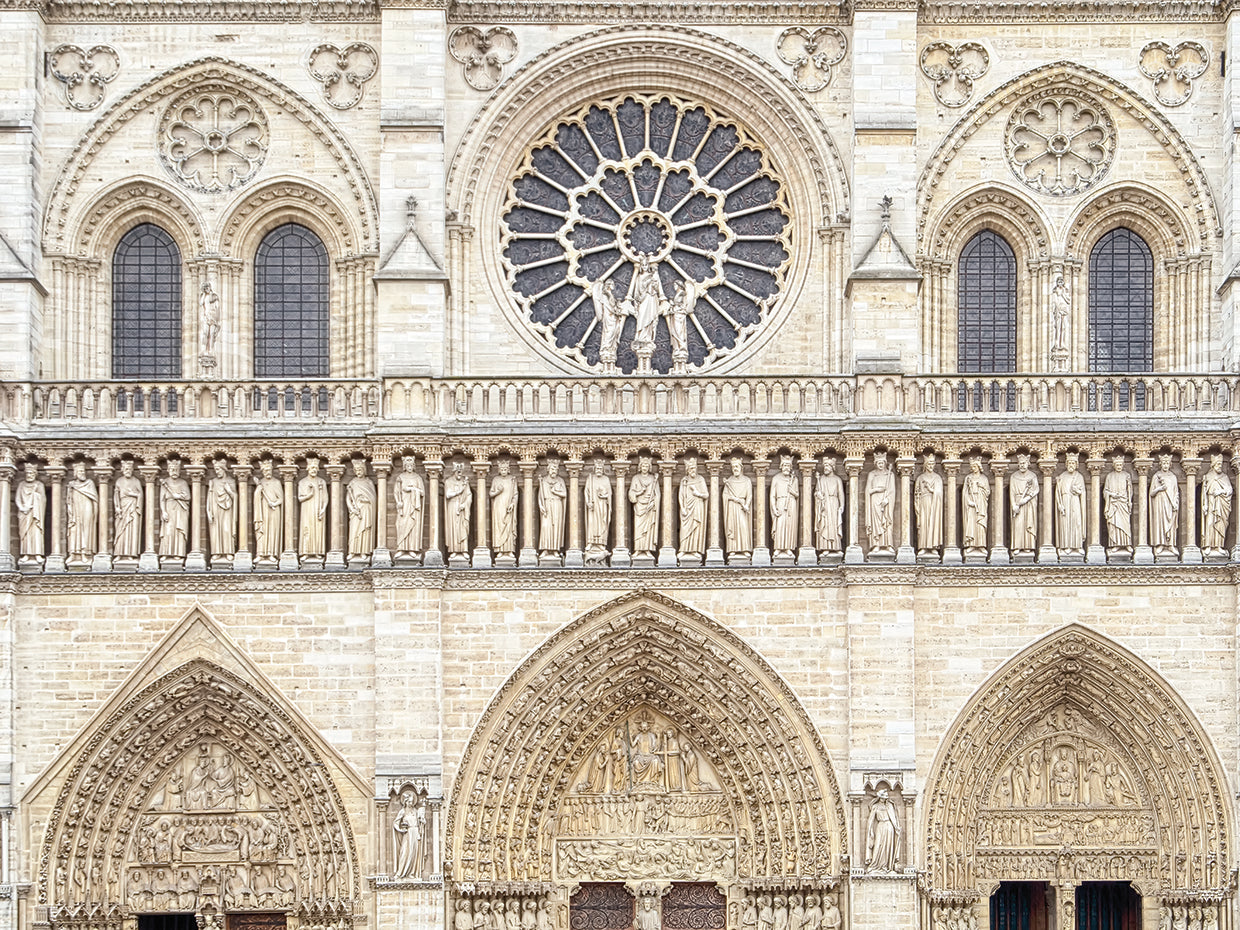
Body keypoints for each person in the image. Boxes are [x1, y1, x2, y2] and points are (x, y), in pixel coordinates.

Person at [630, 255, 665, 356]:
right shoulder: (639, 277)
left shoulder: (653, 275)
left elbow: (657, 287)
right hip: (643, 299)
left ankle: (648, 338)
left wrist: (654, 282)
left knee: (650, 319)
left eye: (646, 265)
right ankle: (641, 337)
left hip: (651, 298)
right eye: (643, 265)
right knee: (642, 320)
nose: (645, 267)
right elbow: (637, 290)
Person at [66, 461, 98, 561]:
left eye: (83, 471)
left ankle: (85, 552)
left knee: (86, 529)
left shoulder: (90, 483)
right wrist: (70, 512)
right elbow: (69, 500)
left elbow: (95, 498)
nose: (82, 473)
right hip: (76, 510)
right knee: (74, 530)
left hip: (87, 508)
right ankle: (74, 553)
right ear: (75, 473)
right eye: (80, 471)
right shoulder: (71, 485)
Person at [393, 456, 425, 557]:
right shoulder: (400, 477)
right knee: (401, 524)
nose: (409, 467)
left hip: (414, 506)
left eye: (411, 465)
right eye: (407, 465)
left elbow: (422, 493)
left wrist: (412, 489)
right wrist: (398, 502)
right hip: (404, 505)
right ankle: (401, 548)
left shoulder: (417, 478)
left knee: (413, 526)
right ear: (404, 466)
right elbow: (396, 491)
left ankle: (412, 548)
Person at [253, 459, 284, 561]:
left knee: (272, 530)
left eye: (269, 470)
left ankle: (272, 553)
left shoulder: (276, 482)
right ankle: (260, 554)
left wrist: (274, 503)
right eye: (265, 471)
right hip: (262, 511)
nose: (268, 473)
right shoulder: (260, 483)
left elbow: (281, 498)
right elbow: (257, 498)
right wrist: (258, 491)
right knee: (263, 531)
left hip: (274, 511)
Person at [1201, 453, 1232, 554]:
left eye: (1221, 464)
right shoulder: (1208, 476)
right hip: (1211, 503)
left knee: (1220, 524)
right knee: (1209, 523)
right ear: (1213, 465)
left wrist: (1221, 492)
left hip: (1221, 503)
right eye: (1218, 464)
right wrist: (1204, 504)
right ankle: (1208, 545)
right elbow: (1204, 492)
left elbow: (1229, 490)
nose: (1220, 466)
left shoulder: (1225, 477)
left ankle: (1219, 546)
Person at [159, 459, 191, 558]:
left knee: (179, 531)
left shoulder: (183, 483)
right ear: (168, 470)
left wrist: (179, 496)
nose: (174, 472)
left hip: (180, 510)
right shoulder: (165, 483)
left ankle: (178, 553)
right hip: (169, 508)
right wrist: (163, 511)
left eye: (176, 470)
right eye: (172, 470)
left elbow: (188, 497)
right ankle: (166, 553)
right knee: (168, 531)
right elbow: (162, 499)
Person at [297, 458, 328, 559]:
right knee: (307, 529)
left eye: (315, 468)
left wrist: (323, 509)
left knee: (318, 530)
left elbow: (325, 498)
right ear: (308, 469)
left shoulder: (321, 482)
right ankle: (305, 552)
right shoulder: (302, 482)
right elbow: (300, 498)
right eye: (312, 468)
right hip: (307, 510)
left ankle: (317, 551)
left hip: (318, 510)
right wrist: (309, 495)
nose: (314, 470)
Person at [1055, 454, 1086, 553]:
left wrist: (1077, 490)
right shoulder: (1062, 476)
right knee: (1065, 523)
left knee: (1076, 522)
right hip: (1065, 500)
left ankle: (1077, 546)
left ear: (1076, 464)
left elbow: (1083, 492)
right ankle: (1066, 545)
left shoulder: (1079, 476)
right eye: (1069, 463)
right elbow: (1057, 491)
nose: (1071, 465)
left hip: (1075, 501)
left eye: (1073, 463)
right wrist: (1059, 504)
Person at [346, 459, 376, 560]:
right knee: (354, 530)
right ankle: (353, 551)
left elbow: (374, 498)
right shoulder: (352, 483)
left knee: (365, 530)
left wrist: (367, 500)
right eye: (357, 470)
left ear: (364, 470)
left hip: (366, 509)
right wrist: (352, 509)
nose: (359, 472)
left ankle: (364, 551)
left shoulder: (369, 482)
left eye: (360, 470)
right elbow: (348, 498)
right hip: (355, 511)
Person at [113, 458, 143, 558]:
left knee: (132, 530)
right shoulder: (119, 481)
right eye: (126, 469)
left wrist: (133, 494)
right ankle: (119, 553)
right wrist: (117, 507)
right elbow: (116, 496)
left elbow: (140, 495)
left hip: (133, 508)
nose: (128, 471)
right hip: (122, 508)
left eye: (130, 469)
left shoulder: (136, 481)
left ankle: (130, 553)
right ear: (122, 470)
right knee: (121, 530)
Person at [629, 455, 660, 556]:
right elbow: (631, 494)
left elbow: (657, 494)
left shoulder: (653, 479)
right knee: (638, 528)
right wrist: (639, 492)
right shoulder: (636, 478)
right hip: (640, 507)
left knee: (649, 528)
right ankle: (638, 549)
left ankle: (647, 549)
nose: (645, 468)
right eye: (643, 466)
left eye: (647, 466)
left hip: (650, 507)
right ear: (640, 467)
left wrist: (654, 502)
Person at [392, 789, 426, 879]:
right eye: (409, 802)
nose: (411, 803)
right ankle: (400, 873)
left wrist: (422, 821)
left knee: (414, 853)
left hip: (415, 833)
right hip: (407, 833)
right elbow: (395, 823)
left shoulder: (415, 811)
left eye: (412, 802)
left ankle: (412, 873)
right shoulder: (403, 811)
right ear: (406, 802)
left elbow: (421, 821)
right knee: (405, 852)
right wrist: (400, 829)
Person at [865, 453, 896, 551]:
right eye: (878, 462)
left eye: (882, 462)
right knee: (876, 522)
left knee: (887, 520)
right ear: (875, 463)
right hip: (875, 500)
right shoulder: (872, 474)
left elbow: (892, 490)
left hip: (886, 500)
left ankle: (888, 544)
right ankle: (876, 544)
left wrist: (887, 499)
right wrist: (877, 489)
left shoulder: (890, 474)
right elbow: (868, 490)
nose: (881, 464)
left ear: (885, 463)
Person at [678, 455, 707, 558]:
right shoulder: (684, 481)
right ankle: (684, 549)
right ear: (687, 469)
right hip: (686, 508)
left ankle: (695, 549)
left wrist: (697, 493)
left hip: (698, 506)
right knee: (685, 528)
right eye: (691, 468)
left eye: (694, 468)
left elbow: (706, 495)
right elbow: (680, 496)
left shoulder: (701, 479)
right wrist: (682, 508)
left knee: (696, 528)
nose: (692, 470)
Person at [1149, 453, 1179, 554]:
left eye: (1167, 463)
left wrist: (1175, 503)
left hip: (1170, 505)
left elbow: (1176, 492)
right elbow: (1151, 493)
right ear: (1160, 464)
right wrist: (1160, 488)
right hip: (1159, 504)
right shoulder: (1156, 476)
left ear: (1170, 464)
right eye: (1164, 463)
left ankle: (1170, 544)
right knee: (1159, 523)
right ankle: (1160, 544)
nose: (1165, 465)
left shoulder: (1173, 477)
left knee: (1171, 524)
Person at [582, 457, 611, 562]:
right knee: (592, 523)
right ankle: (591, 543)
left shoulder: (606, 479)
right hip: (593, 507)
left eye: (600, 468)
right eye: (597, 468)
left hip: (602, 506)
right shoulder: (590, 478)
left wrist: (604, 496)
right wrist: (587, 502)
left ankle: (601, 543)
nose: (599, 470)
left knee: (602, 524)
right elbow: (586, 491)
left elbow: (610, 494)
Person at [769, 455, 798, 558]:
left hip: (791, 504)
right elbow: (772, 495)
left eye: (788, 465)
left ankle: (788, 547)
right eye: (784, 465)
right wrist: (773, 508)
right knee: (780, 525)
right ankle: (778, 547)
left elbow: (797, 494)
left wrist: (792, 492)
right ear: (781, 466)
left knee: (790, 526)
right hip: (780, 503)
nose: (786, 467)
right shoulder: (776, 479)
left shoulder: (794, 480)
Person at [15, 462, 45, 560]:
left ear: (35, 474)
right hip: (24, 513)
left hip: (35, 512)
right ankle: (26, 554)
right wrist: (22, 508)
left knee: (36, 532)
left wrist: (35, 499)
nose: (29, 475)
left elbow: (43, 499)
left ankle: (37, 554)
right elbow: (17, 499)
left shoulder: (39, 485)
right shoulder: (21, 485)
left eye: (32, 473)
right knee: (25, 534)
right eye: (28, 473)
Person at [865, 787, 900, 872]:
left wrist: (896, 827)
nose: (884, 799)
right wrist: (871, 831)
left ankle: (886, 866)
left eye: (885, 798)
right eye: (883, 797)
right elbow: (871, 820)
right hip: (880, 826)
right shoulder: (875, 806)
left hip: (889, 827)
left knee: (887, 846)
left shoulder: (890, 806)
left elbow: (894, 818)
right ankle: (875, 864)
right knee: (878, 845)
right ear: (880, 797)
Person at [207, 459, 237, 557]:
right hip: (216, 509)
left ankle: (228, 551)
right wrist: (209, 510)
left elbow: (235, 497)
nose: (217, 472)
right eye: (215, 470)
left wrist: (229, 491)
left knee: (226, 529)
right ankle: (217, 552)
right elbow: (209, 497)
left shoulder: (231, 481)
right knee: (216, 531)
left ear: (223, 469)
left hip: (228, 509)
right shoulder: (213, 482)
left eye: (218, 469)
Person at [723, 457, 753, 557]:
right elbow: (725, 495)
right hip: (732, 506)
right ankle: (733, 548)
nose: (735, 469)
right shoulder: (729, 481)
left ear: (741, 467)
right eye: (733, 467)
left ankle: (745, 548)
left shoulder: (747, 480)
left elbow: (749, 495)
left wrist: (747, 505)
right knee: (733, 527)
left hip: (742, 507)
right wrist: (733, 499)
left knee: (743, 526)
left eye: (736, 466)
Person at [490, 458, 519, 558]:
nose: (503, 471)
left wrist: (512, 504)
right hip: (498, 507)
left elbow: (515, 494)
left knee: (509, 526)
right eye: (502, 470)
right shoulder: (496, 480)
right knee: (498, 527)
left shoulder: (512, 480)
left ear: (508, 470)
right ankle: (500, 550)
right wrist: (498, 491)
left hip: (508, 506)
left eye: (505, 469)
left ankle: (509, 549)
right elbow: (491, 493)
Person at [815, 457, 844, 554]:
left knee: (834, 525)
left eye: (827, 466)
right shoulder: (821, 479)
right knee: (825, 523)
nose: (825, 468)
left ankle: (836, 547)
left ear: (832, 467)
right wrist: (817, 495)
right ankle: (825, 547)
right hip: (824, 504)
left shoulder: (837, 479)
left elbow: (841, 494)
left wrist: (842, 506)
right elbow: (816, 492)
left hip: (834, 503)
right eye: (825, 466)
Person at [1010, 454, 1039, 552]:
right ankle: (1017, 546)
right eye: (1020, 463)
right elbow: (1012, 492)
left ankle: (1028, 545)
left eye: (1024, 463)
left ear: (1028, 463)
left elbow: (1036, 490)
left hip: (1029, 503)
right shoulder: (1014, 476)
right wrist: (1014, 504)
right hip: (1018, 502)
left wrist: (1026, 499)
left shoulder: (1032, 476)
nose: (1022, 465)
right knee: (1018, 524)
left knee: (1028, 522)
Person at [538, 459, 567, 557]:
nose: (553, 470)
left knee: (556, 527)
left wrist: (555, 492)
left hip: (557, 504)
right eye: (552, 469)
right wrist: (541, 505)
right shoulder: (543, 480)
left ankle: (555, 548)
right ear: (548, 469)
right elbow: (540, 496)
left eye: (555, 469)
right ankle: (546, 549)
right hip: (547, 504)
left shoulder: (560, 480)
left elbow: (564, 494)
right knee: (546, 527)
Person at [1103, 455, 1132, 549]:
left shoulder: (1126, 475)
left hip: (1123, 502)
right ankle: (1116, 544)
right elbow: (1105, 491)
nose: (1119, 466)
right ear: (1114, 465)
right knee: (1114, 524)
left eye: (1120, 464)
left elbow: (1130, 490)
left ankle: (1127, 544)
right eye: (1117, 465)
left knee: (1125, 524)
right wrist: (1111, 494)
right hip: (1113, 504)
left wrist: (1130, 501)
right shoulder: (1109, 476)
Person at [915, 454, 943, 552]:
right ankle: (923, 546)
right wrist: (917, 505)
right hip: (923, 503)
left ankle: (933, 546)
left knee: (933, 523)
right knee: (923, 523)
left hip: (934, 504)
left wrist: (932, 490)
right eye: (929, 464)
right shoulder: (920, 478)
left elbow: (940, 493)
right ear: (925, 465)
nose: (931, 466)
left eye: (932, 464)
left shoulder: (937, 478)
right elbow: (916, 494)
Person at [444, 459, 472, 556]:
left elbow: (469, 495)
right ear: (454, 472)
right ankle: (454, 550)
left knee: (463, 527)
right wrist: (458, 491)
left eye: (461, 472)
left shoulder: (465, 482)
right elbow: (447, 495)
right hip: (452, 506)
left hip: (462, 507)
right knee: (454, 528)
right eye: (458, 472)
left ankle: (464, 550)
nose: (460, 474)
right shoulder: (448, 481)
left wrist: (465, 504)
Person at [962, 457, 989, 552]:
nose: (974, 468)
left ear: (979, 466)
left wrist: (982, 487)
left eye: (975, 466)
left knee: (980, 524)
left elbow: (987, 493)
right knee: (971, 523)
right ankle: (971, 544)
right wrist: (968, 501)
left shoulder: (984, 478)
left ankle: (981, 545)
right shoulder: (968, 478)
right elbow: (965, 492)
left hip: (981, 503)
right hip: (971, 504)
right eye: (972, 466)